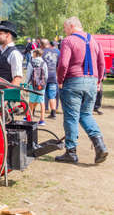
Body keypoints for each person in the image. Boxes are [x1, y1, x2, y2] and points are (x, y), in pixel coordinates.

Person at [55, 16, 108, 164]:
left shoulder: (68, 40)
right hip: (91, 82)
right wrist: (98, 81)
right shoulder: (94, 40)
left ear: (72, 26)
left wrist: (60, 81)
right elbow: (102, 63)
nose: (65, 31)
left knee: (71, 117)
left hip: (73, 82)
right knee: (86, 114)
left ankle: (71, 152)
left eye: (65, 28)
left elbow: (63, 64)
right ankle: (100, 145)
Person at [0, 21, 23, 85]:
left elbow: (17, 78)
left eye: (0, 33)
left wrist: (9, 93)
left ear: (8, 35)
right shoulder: (1, 52)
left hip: (5, 94)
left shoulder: (14, 53)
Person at [26, 49, 48, 125]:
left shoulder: (31, 63)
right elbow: (46, 75)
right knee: (42, 102)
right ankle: (42, 119)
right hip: (41, 85)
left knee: (31, 101)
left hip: (33, 84)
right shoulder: (43, 63)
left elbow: (28, 75)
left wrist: (26, 84)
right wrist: (44, 84)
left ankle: (30, 117)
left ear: (36, 54)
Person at [41, 39, 59, 119]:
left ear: (41, 45)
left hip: (43, 76)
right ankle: (53, 113)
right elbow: (59, 65)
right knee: (52, 95)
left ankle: (41, 113)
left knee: (41, 94)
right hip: (53, 76)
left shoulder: (41, 52)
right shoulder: (57, 52)